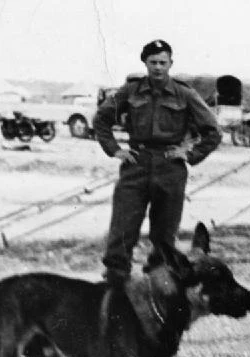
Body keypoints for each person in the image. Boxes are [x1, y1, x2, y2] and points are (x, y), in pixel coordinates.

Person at [94, 39, 222, 285]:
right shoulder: (130, 91)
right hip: (136, 163)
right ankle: (115, 280)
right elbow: (101, 119)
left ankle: (158, 280)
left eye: (163, 62)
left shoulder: (184, 93)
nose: (158, 68)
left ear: (171, 63)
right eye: (153, 62)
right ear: (145, 63)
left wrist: (189, 154)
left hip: (169, 167)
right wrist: (115, 150)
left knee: (164, 231)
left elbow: (213, 131)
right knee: (123, 226)